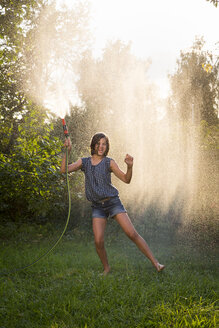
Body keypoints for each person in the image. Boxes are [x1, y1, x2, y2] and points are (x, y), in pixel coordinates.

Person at [60, 132, 165, 275]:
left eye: (104, 144)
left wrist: (129, 167)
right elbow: (63, 170)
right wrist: (67, 151)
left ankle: (156, 263)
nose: (101, 146)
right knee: (98, 241)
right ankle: (106, 269)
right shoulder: (84, 162)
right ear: (93, 145)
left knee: (132, 233)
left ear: (107, 146)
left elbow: (126, 180)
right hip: (97, 206)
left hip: (113, 202)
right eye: (98, 143)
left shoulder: (109, 162)